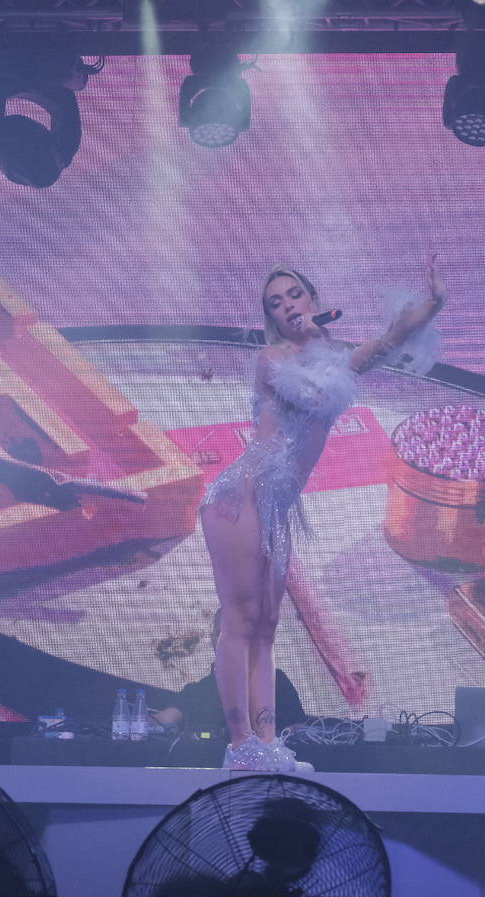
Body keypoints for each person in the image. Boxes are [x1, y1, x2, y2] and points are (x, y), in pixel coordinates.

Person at [201, 257, 446, 772]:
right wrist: (330, 351)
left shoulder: (335, 358)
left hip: (279, 505)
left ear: (311, 299)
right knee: (241, 621)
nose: (288, 306)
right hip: (241, 496)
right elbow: (315, 394)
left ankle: (268, 744)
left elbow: (391, 338)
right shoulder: (272, 360)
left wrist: (431, 307)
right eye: (276, 303)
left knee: (268, 627)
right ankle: (240, 743)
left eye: (294, 296)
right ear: (271, 317)